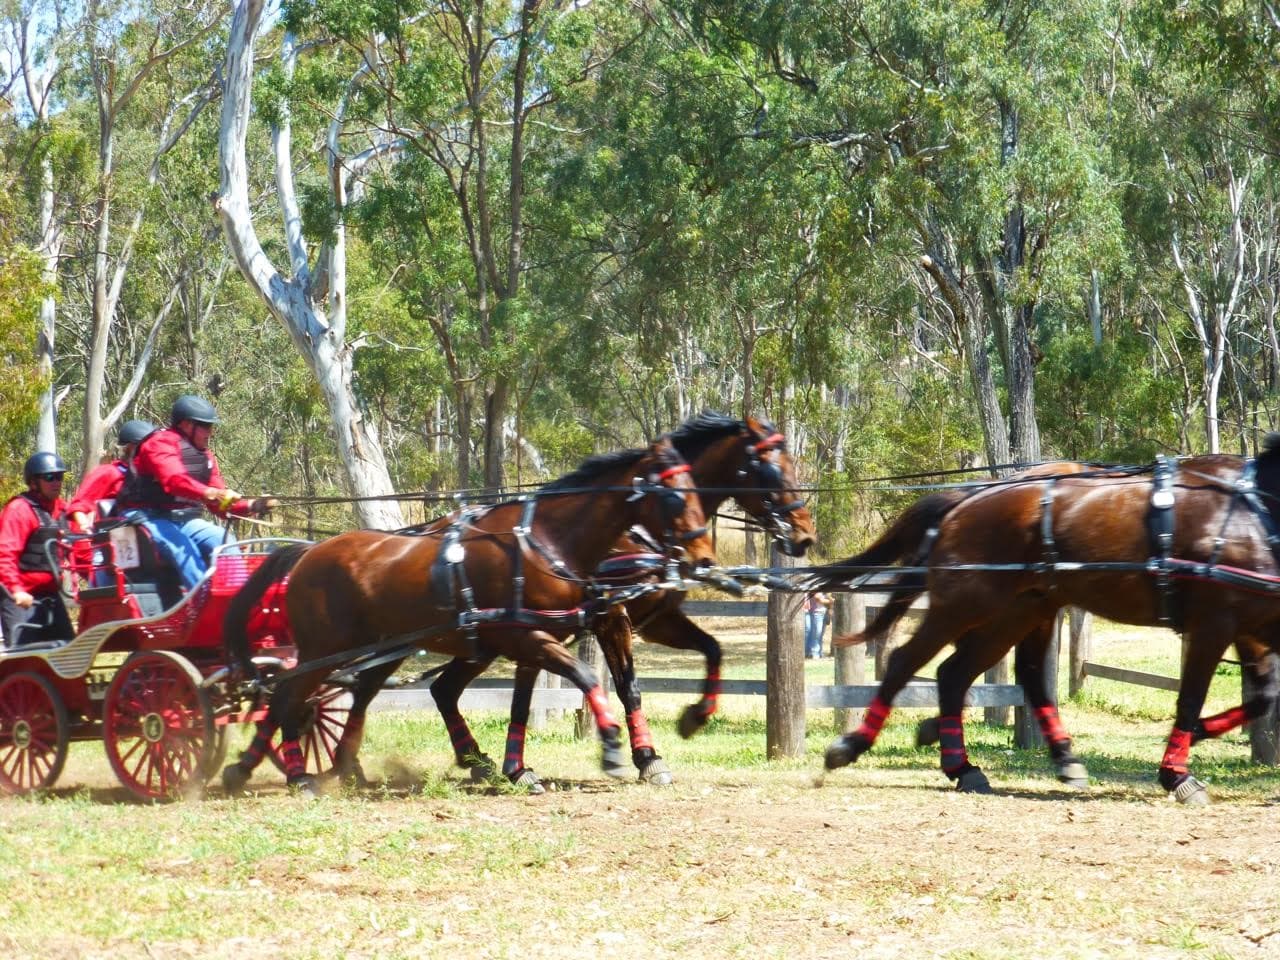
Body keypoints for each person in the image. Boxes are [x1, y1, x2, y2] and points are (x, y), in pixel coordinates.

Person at [115, 394, 275, 591]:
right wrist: (210, 492)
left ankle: (234, 597)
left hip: (184, 520)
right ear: (186, 425)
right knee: (182, 547)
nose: (211, 433)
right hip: (146, 517)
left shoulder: (205, 457)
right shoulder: (159, 443)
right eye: (206, 426)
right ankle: (202, 601)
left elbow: (219, 502)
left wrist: (252, 505)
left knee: (223, 540)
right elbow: (174, 481)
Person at [0, 452, 74, 648]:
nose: (56, 482)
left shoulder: (63, 511)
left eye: (59, 477)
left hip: (50, 597)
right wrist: (16, 590)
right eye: (49, 477)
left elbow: (80, 547)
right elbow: (5, 555)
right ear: (33, 482)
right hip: (21, 597)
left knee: (70, 655)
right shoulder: (19, 509)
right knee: (22, 659)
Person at [68, 419, 158, 533]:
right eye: (147, 445)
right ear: (130, 447)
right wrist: (85, 526)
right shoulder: (109, 472)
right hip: (120, 537)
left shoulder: (152, 474)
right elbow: (79, 505)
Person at [804, 591, 832, 659]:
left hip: (824, 612)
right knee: (816, 634)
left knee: (819, 634)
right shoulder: (816, 588)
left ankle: (818, 652)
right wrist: (831, 601)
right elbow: (818, 599)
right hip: (817, 612)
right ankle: (814, 653)